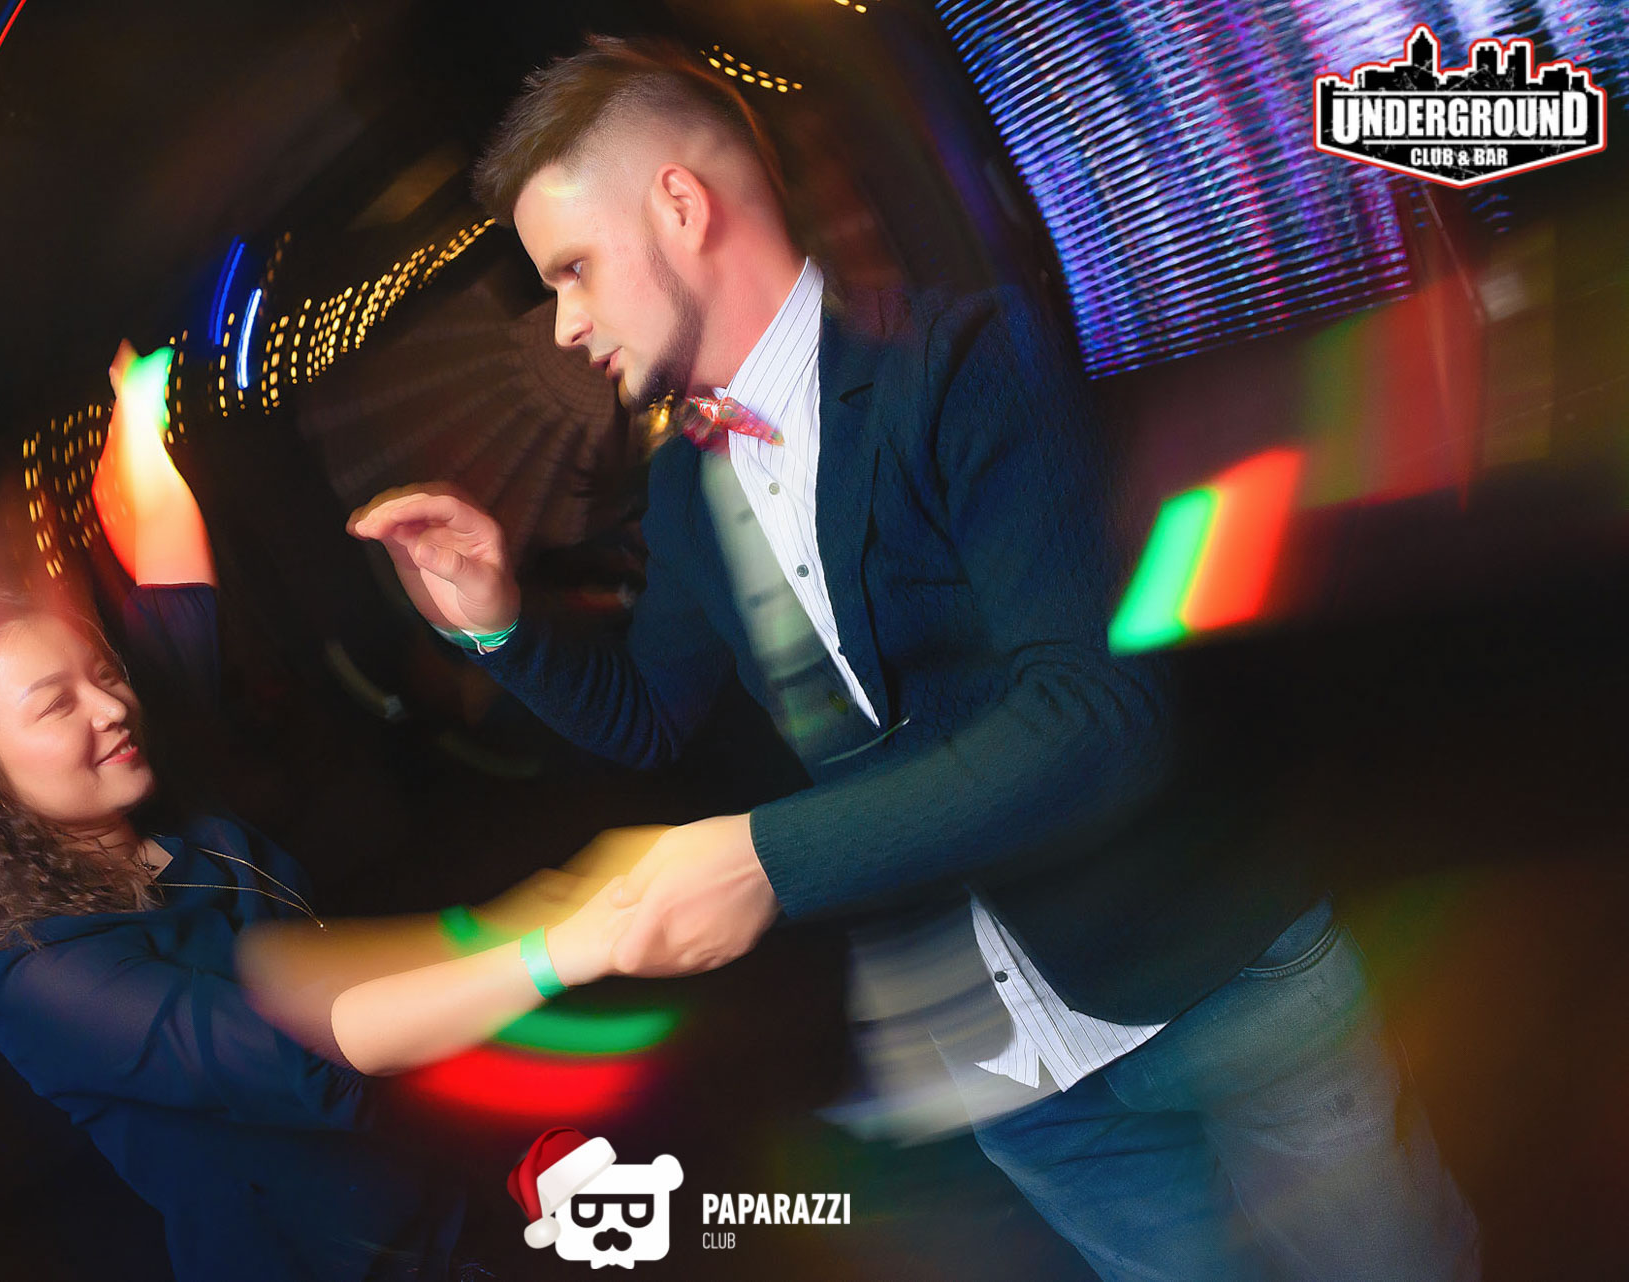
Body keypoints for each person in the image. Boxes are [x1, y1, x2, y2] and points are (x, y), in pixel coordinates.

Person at [350, 35, 1479, 1281]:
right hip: (1006, 1062)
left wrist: (767, 857)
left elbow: (1095, 714)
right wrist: (495, 615)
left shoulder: (962, 363)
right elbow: (646, 715)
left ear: (680, 206)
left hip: (1207, 974)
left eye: (572, 269)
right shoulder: (684, 485)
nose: (563, 324)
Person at [0, 343, 637, 1282]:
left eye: (102, 671)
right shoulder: (45, 976)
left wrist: (138, 410)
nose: (111, 705)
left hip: (444, 1200)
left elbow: (171, 564)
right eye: (54, 704)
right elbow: (309, 1047)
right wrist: (557, 944)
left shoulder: (144, 773)